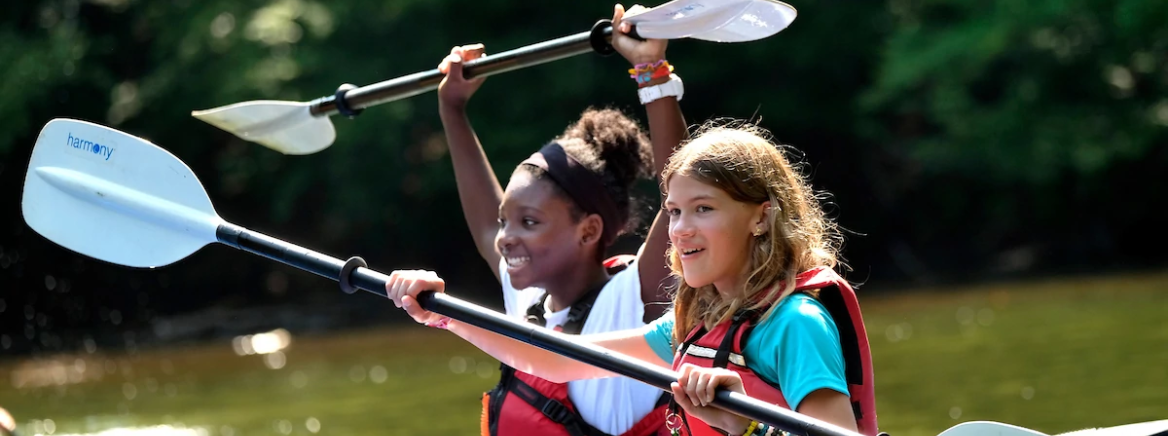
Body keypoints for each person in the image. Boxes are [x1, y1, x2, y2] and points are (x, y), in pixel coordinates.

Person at [387, 122, 882, 436]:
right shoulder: (693, 324)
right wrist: (441, 313)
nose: (680, 229)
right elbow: (553, 360)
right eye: (675, 211)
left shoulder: (797, 323)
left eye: (704, 209)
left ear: (760, 216)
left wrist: (745, 425)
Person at [415, 4, 689, 435]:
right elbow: (486, 225)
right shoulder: (529, 299)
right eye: (507, 221)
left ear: (589, 230)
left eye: (529, 222)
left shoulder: (635, 300)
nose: (505, 238)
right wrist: (451, 107)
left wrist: (651, 70)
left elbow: (682, 192)